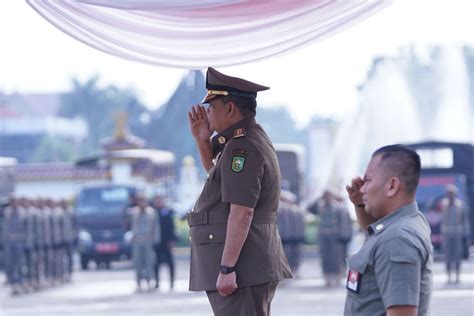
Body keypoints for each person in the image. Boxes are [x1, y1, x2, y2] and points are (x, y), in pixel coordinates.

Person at [187, 67, 292, 316]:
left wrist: (226, 268)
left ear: (230, 108)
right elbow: (220, 179)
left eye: (212, 107)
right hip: (248, 264)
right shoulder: (245, 140)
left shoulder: (241, 148)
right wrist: (203, 141)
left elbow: (242, 211)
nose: (208, 114)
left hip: (243, 268)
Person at [345, 144, 433, 316]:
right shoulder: (403, 224)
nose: (362, 188)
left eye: (367, 180)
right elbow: (376, 238)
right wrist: (360, 204)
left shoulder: (397, 239)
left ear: (392, 186)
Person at [311, 190, 351, 287]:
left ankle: (336, 276)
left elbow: (342, 222)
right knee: (325, 256)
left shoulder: (337, 207)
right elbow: (310, 209)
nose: (327, 197)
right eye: (325, 195)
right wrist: (318, 198)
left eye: (328, 195)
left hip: (334, 234)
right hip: (323, 234)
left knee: (335, 256)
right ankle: (327, 276)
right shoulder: (320, 206)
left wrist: (342, 236)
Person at [440, 184, 471, 284]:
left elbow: (464, 219)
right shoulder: (443, 204)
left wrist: (466, 233)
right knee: (448, 254)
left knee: (457, 253)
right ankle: (449, 276)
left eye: (452, 193)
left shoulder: (459, 204)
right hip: (447, 230)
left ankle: (457, 276)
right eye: (449, 193)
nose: (450, 195)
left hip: (457, 229)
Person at [130, 195, 159, 291]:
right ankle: (138, 282)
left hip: (148, 240)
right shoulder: (134, 212)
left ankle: (149, 281)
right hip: (137, 241)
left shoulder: (151, 213)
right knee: (138, 262)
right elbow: (132, 227)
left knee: (149, 262)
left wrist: (156, 240)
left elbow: (156, 228)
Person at [152, 195, 178, 289]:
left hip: (167, 241)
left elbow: (172, 227)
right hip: (157, 241)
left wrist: (172, 240)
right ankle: (156, 282)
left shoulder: (168, 212)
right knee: (156, 263)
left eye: (160, 201)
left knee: (170, 263)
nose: (158, 203)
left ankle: (172, 282)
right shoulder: (153, 212)